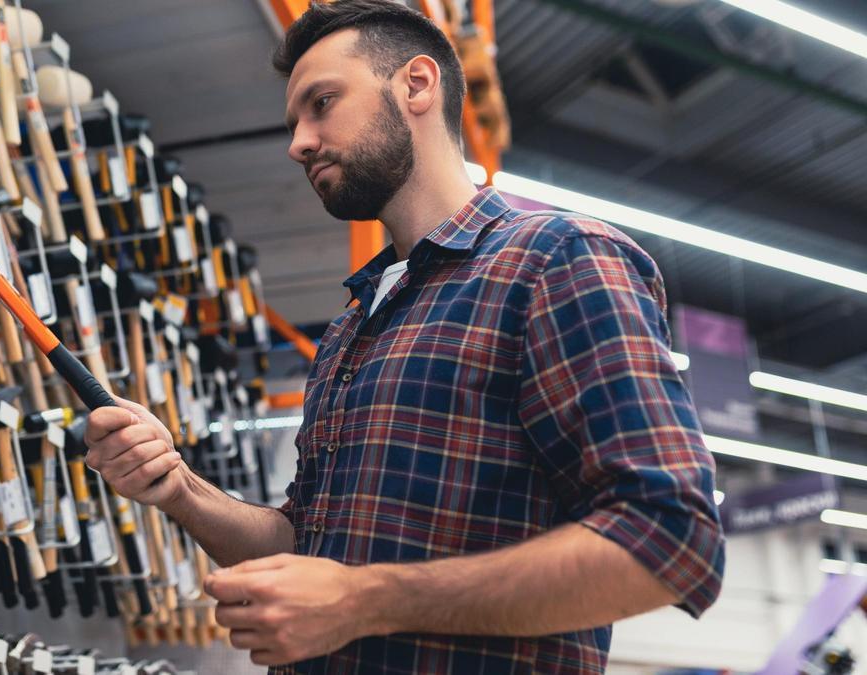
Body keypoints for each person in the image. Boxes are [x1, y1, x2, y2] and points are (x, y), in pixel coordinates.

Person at [84, 1, 725, 672]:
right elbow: (308, 550)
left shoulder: (556, 259)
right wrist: (178, 485)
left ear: (416, 85)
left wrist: (364, 600)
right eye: (294, 119)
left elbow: (672, 538)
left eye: (321, 102)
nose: (298, 142)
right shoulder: (352, 326)